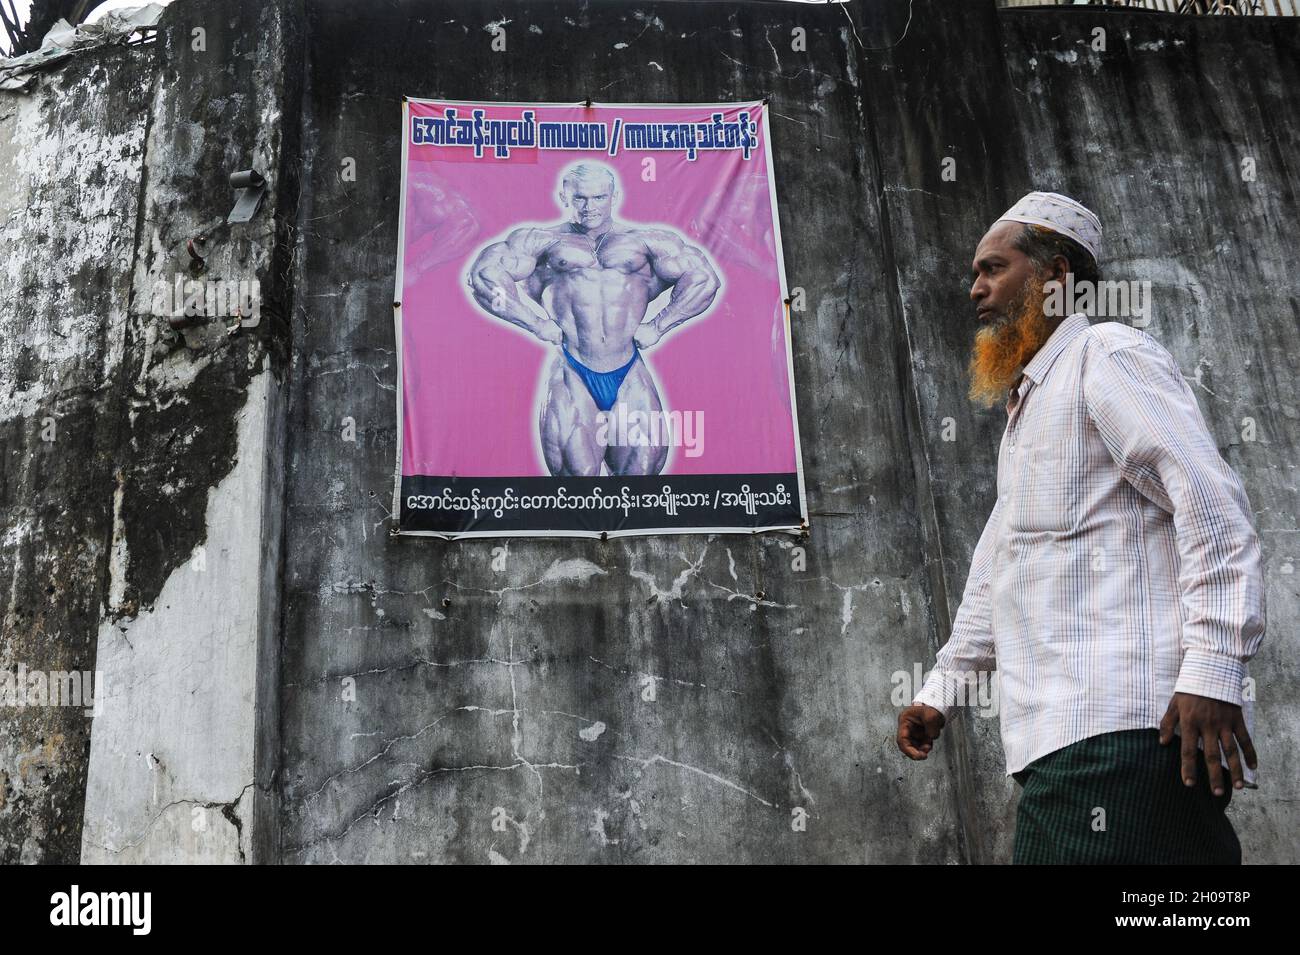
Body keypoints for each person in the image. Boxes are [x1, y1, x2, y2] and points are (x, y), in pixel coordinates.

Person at [896, 191, 1266, 864]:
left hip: (1124, 736)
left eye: (993, 268)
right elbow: (1002, 566)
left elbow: (1208, 499)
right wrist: (940, 693)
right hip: (1065, 749)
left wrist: (1213, 669)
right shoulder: (1030, 406)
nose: (975, 289)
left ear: (1057, 276)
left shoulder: (1106, 354)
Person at [467, 162, 720, 477]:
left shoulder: (646, 241)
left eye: (599, 197)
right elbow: (484, 278)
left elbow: (703, 280)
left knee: (640, 482)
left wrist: (659, 325)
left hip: (630, 372)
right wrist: (534, 322)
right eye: (580, 199)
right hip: (572, 371)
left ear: (613, 196)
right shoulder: (540, 241)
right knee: (577, 486)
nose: (590, 207)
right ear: (564, 197)